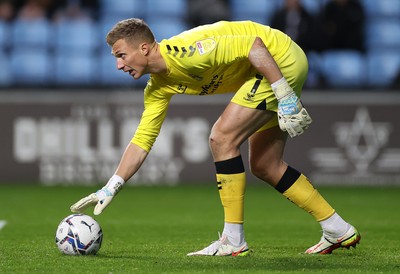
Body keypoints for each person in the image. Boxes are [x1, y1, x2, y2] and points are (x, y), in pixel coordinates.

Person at [70, 18, 361, 256]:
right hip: (264, 72)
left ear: (144, 48)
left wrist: (283, 93)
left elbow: (254, 45)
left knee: (221, 138)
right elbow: (143, 140)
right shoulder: (158, 87)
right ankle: (337, 228)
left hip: (277, 61)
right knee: (265, 165)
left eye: (122, 55)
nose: (119, 65)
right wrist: (112, 186)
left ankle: (233, 241)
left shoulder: (189, 52)